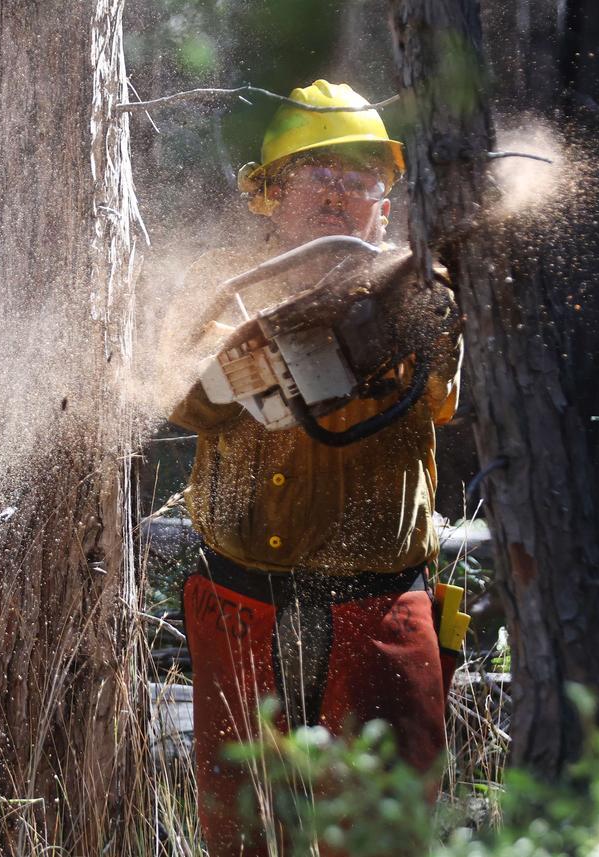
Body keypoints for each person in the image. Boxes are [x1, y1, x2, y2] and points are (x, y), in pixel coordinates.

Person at [169, 80, 463, 856]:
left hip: (376, 610)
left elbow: (441, 397)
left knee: (377, 838)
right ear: (269, 192)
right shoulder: (221, 286)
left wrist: (388, 322)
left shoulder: (415, 287)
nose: (338, 195)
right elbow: (182, 403)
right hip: (240, 606)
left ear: (385, 202)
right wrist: (244, 364)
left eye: (358, 178)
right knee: (243, 833)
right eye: (317, 174)